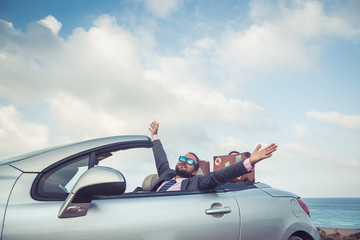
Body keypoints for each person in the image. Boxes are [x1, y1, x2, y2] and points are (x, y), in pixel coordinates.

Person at [148, 121, 277, 192]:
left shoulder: (196, 182)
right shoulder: (167, 175)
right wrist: (154, 135)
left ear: (194, 172)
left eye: (189, 161)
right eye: (182, 159)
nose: (184, 161)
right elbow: (161, 159)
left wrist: (249, 162)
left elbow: (218, 176)